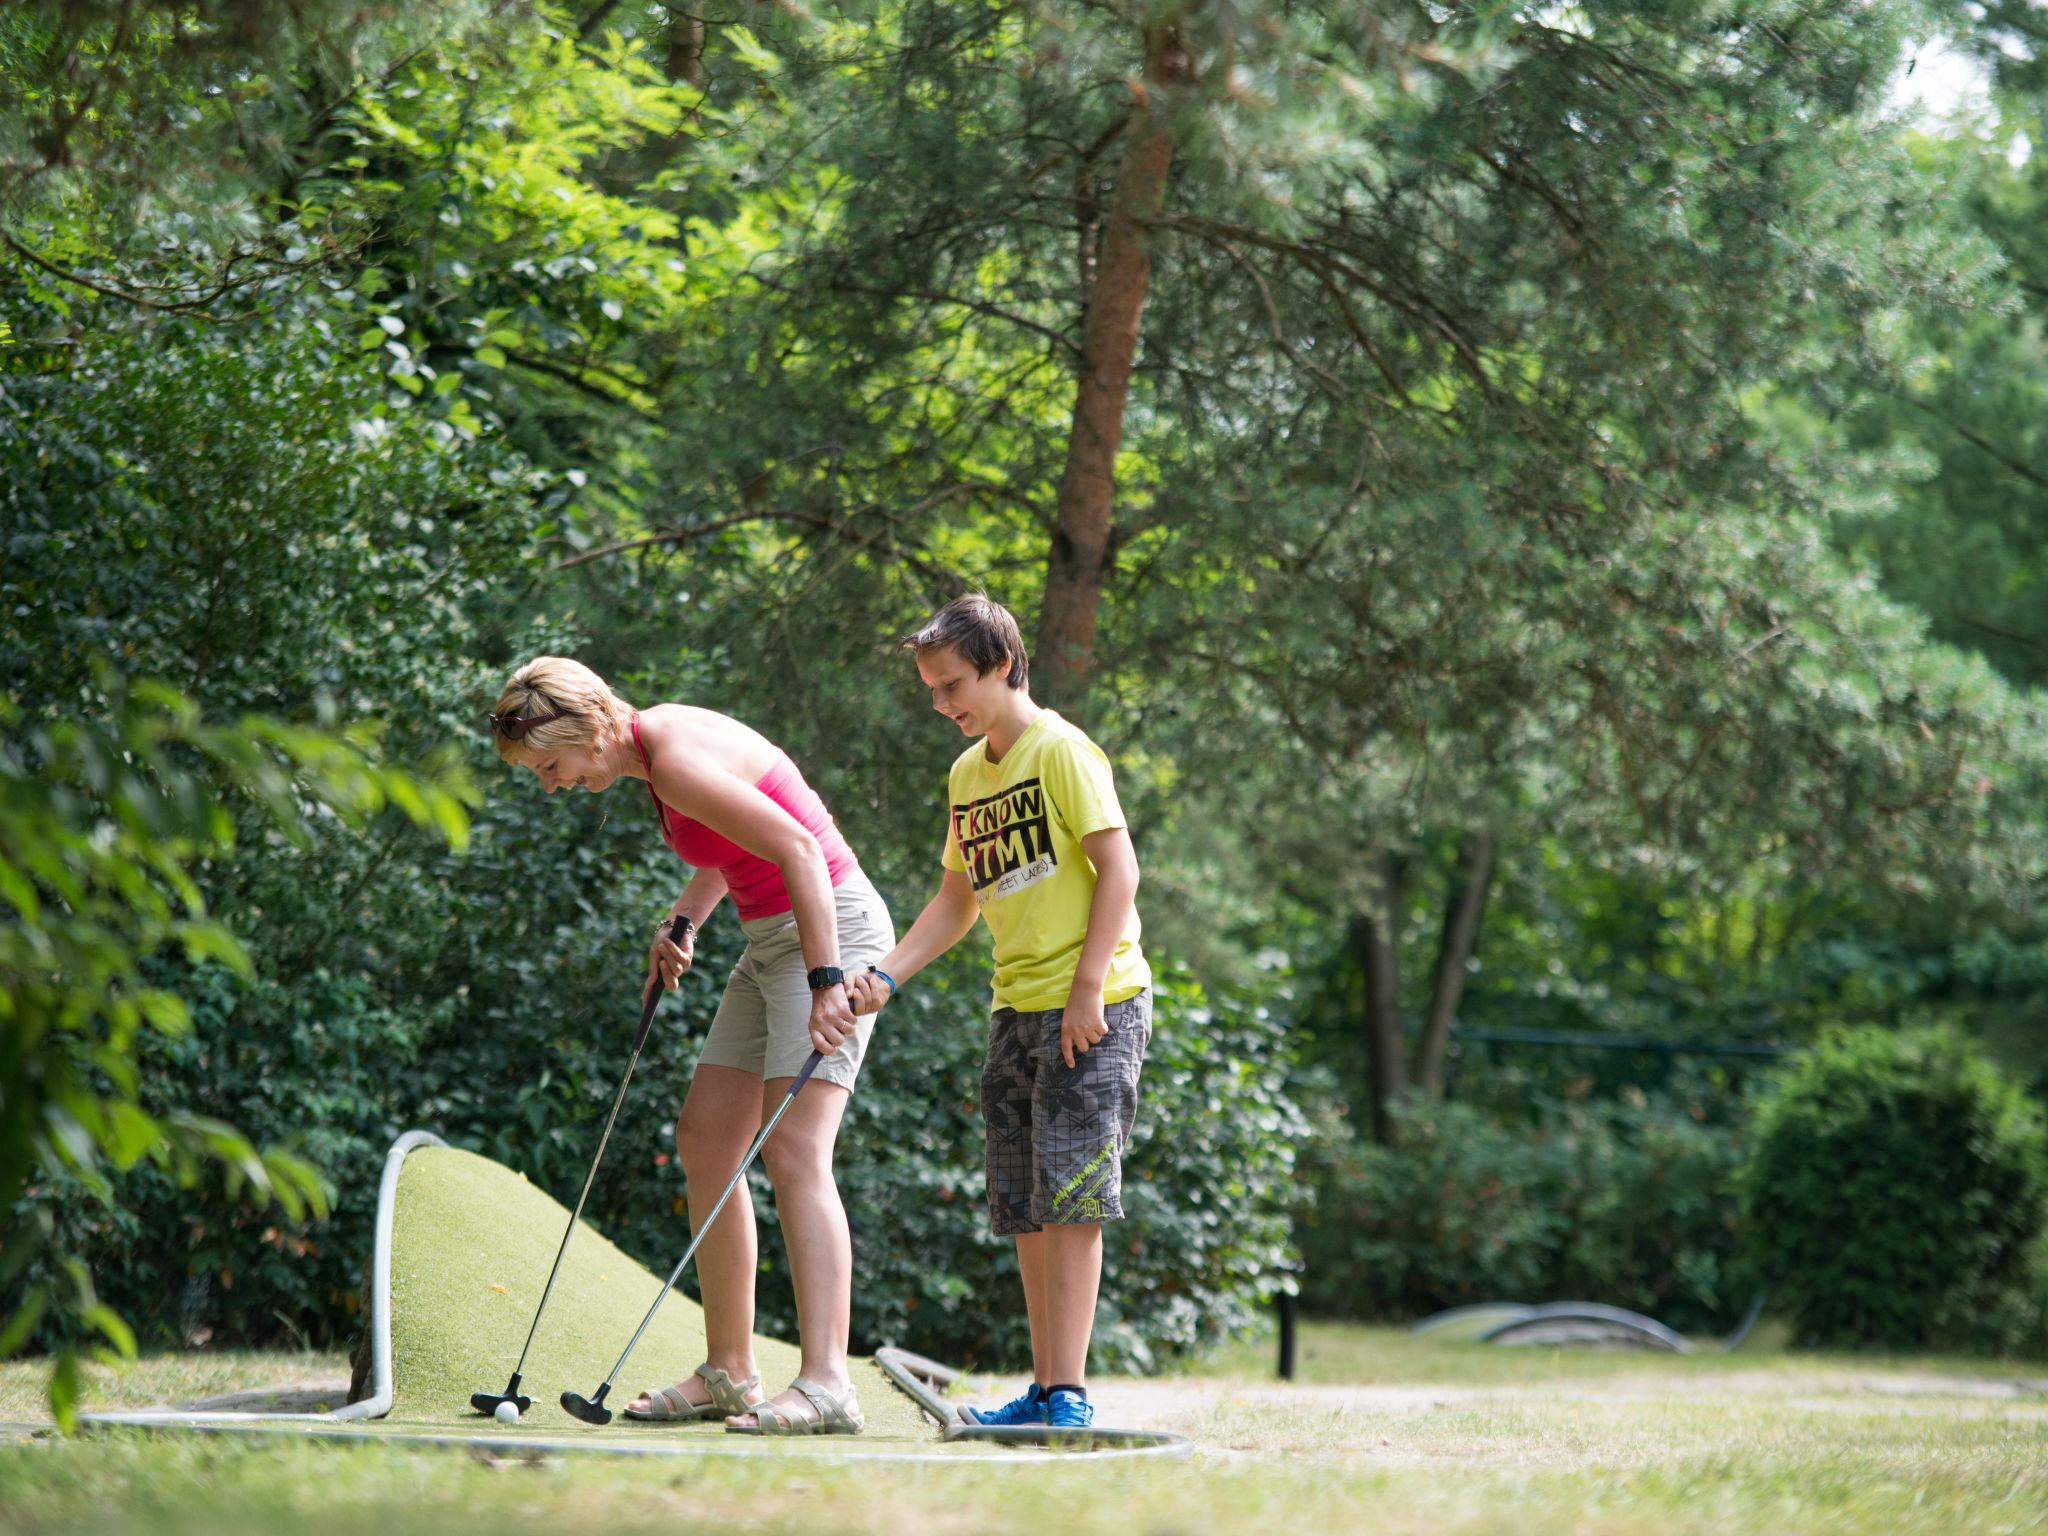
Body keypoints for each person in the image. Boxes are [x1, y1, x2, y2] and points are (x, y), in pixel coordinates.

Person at [489, 656, 892, 1436]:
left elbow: (802, 850)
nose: (551, 784)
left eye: (550, 765)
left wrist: (824, 980)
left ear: (589, 729)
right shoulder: (656, 755)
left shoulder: (670, 755)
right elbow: (732, 842)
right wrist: (685, 919)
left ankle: (828, 1384)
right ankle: (731, 1372)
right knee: (707, 1141)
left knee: (797, 1150)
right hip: (769, 936)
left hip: (828, 929)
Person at [845, 595, 1151, 1431]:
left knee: (1074, 1198)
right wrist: (887, 975)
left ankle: (1072, 1395)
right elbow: (958, 901)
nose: (943, 705)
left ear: (1003, 665)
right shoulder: (967, 775)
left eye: (953, 686)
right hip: (1016, 1006)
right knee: (1025, 1200)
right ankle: (1046, 1391)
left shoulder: (1061, 752)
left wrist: (1087, 988)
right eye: (933, 691)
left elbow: (1120, 873)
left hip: (1094, 1003)